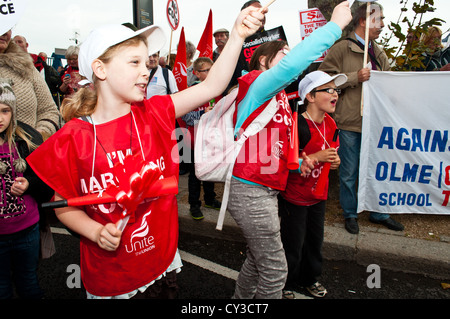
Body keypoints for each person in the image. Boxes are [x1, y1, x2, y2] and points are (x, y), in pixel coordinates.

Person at [27, 6, 266, 299]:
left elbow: (213, 85)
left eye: (146, 62)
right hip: (113, 280)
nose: (146, 70)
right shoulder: (73, 137)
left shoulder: (155, 112)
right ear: (100, 69)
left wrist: (238, 35)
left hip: (162, 264)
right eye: (134, 62)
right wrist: (94, 231)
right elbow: (62, 203)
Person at [226, 1, 351, 299]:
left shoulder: (281, 98)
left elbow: (273, 147)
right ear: (263, 62)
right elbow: (294, 64)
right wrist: (334, 26)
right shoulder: (255, 86)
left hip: (268, 189)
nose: (288, 58)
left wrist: (298, 162)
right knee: (275, 270)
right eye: (282, 54)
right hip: (250, 189)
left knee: (257, 263)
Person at [318, 3, 404, 234]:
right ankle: (350, 214)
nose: (383, 25)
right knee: (349, 172)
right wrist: (355, 77)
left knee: (376, 169)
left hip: (375, 123)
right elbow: (324, 80)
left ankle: (378, 212)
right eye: (379, 20)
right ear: (363, 21)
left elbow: (389, 83)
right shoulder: (342, 49)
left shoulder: (379, 51)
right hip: (349, 121)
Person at [279, 71, 345, 299]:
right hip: (295, 195)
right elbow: (286, 162)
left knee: (315, 241)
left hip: (319, 194)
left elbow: (332, 153)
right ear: (310, 96)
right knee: (292, 243)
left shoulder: (331, 123)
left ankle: (310, 279)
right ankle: (285, 282)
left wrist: (334, 161)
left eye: (336, 90)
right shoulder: (297, 124)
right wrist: (316, 157)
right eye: (328, 89)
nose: (335, 94)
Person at [0, 79, 52, 299]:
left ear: (13, 111)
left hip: (27, 231)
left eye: (4, 110)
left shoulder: (27, 138)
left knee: (29, 283)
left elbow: (48, 177)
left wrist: (30, 183)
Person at [0, 29, 60, 140]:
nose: (4, 32)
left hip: (25, 155)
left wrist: (38, 135)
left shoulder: (25, 66)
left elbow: (49, 110)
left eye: (8, 27)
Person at [182, 57, 222, 220]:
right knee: (195, 174)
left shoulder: (216, 90)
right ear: (197, 73)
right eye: (206, 70)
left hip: (210, 139)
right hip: (194, 141)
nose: (211, 73)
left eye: (212, 69)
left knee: (210, 169)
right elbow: (185, 117)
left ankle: (210, 199)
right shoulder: (190, 92)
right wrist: (202, 114)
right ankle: (194, 204)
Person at [13, 35, 62, 106]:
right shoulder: (6, 60)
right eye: (14, 42)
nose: (17, 44)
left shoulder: (37, 62)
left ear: (26, 45)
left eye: (20, 42)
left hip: (34, 99)